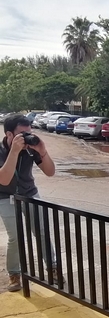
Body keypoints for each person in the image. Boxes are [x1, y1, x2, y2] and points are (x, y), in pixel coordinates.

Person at [0, 114, 57, 291]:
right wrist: (15, 152)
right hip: (4, 195)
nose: (26, 138)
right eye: (22, 134)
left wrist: (42, 151)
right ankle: (14, 273)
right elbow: (4, 178)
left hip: (30, 193)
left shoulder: (30, 149)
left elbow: (50, 172)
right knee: (16, 237)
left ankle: (52, 267)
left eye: (28, 133)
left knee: (41, 231)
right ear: (9, 135)